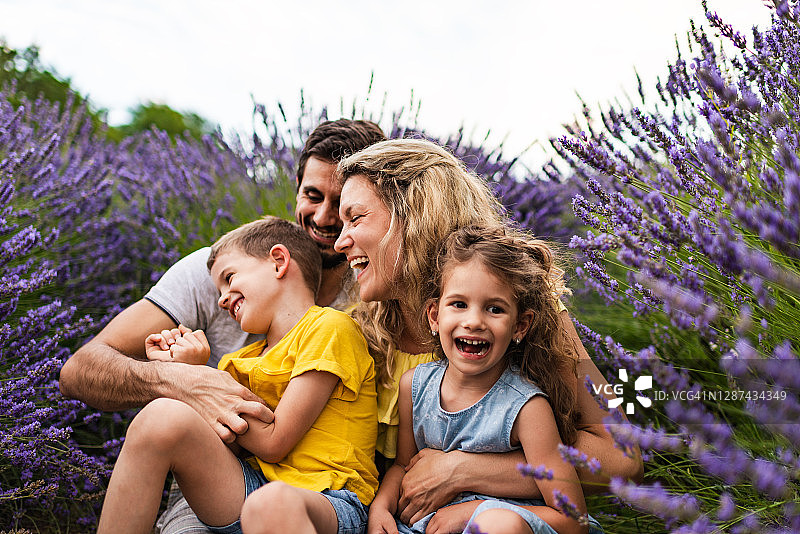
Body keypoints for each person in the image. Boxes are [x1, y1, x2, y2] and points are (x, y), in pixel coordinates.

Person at [59, 119, 386, 533]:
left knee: (273, 507)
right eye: (313, 195)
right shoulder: (220, 272)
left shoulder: (373, 296)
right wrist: (176, 378)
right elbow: (78, 371)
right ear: (297, 188)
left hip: (321, 495)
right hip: (236, 485)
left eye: (341, 204)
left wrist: (199, 378)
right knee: (162, 418)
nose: (323, 217)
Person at [334, 138, 643, 530]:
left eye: (356, 218)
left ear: (412, 215)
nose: (340, 241)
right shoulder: (357, 330)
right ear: (435, 316)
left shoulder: (533, 310)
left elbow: (624, 457)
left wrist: (463, 469)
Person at [96, 216, 378, 534]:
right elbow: (234, 448)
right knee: (160, 418)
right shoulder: (238, 361)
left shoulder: (330, 328)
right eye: (219, 289)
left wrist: (205, 381)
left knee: (270, 504)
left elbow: (273, 441)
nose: (222, 298)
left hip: (328, 500)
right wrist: (185, 373)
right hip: (252, 487)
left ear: (278, 261)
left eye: (229, 278)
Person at [370, 224, 598, 534]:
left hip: (503, 525)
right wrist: (381, 507)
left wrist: (476, 510)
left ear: (520, 325)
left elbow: (573, 520)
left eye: (494, 309)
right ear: (435, 316)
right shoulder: (415, 385)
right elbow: (402, 467)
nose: (474, 321)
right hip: (426, 527)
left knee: (494, 524)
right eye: (459, 304)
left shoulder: (525, 408)